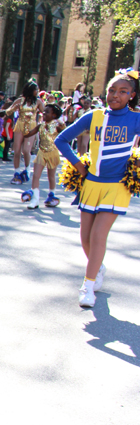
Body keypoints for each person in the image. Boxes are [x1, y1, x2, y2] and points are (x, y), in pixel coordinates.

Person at [54, 70, 140, 308]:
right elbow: (61, 139)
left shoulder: (135, 119)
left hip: (117, 186)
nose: (116, 95)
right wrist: (80, 166)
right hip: (91, 183)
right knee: (85, 237)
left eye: (123, 92)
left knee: (98, 235)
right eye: (112, 90)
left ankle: (88, 285)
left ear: (132, 95)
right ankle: (98, 266)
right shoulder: (94, 116)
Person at [21, 104, 65, 209]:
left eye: (47, 112)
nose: (44, 114)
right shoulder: (40, 126)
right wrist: (26, 123)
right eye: (43, 112)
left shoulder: (57, 126)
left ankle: (51, 195)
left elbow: (66, 134)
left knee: (51, 177)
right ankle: (35, 200)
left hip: (53, 152)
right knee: (36, 176)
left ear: (54, 115)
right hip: (41, 153)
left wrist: (63, 125)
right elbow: (27, 134)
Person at [6, 81, 44, 184]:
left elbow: (44, 113)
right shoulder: (20, 100)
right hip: (20, 125)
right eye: (36, 89)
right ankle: (17, 172)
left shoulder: (38, 102)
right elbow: (7, 112)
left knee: (26, 150)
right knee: (17, 150)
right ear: (31, 90)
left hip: (31, 126)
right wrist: (14, 108)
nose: (38, 91)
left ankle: (27, 169)